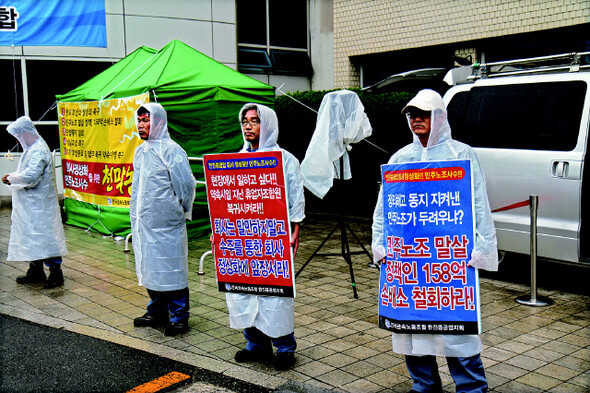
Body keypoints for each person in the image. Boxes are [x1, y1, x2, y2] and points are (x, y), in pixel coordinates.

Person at [371, 89, 498, 393]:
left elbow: (478, 203)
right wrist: (381, 247)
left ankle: (471, 388)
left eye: (423, 113)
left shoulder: (461, 154)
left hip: (448, 261)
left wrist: (481, 249)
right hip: (410, 263)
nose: (416, 119)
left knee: (458, 334)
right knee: (411, 330)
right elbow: (383, 208)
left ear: (439, 117)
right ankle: (424, 385)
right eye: (412, 114)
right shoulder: (401, 158)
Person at [223, 103, 305, 371]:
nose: (248, 125)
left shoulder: (285, 160)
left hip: (273, 238)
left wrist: (295, 229)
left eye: (255, 120)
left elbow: (295, 198)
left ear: (266, 124)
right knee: (246, 290)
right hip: (244, 239)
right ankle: (255, 345)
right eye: (245, 120)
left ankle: (285, 347)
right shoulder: (236, 160)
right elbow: (225, 199)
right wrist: (220, 232)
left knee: (275, 295)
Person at [130, 103, 196, 337]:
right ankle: (157, 311)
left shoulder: (172, 150)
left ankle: (179, 316)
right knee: (151, 268)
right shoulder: (141, 151)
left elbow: (186, 186)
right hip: (145, 225)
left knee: (172, 269)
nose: (141, 125)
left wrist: (180, 212)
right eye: (139, 121)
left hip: (167, 226)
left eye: (146, 120)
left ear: (158, 122)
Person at [2, 116, 68, 289]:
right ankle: (36, 270)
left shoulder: (38, 150)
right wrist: (13, 177)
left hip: (41, 205)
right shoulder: (31, 149)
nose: (17, 139)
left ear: (26, 133)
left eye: (18, 135)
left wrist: (11, 178)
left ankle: (55, 273)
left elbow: (32, 176)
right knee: (32, 237)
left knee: (46, 237)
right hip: (32, 205)